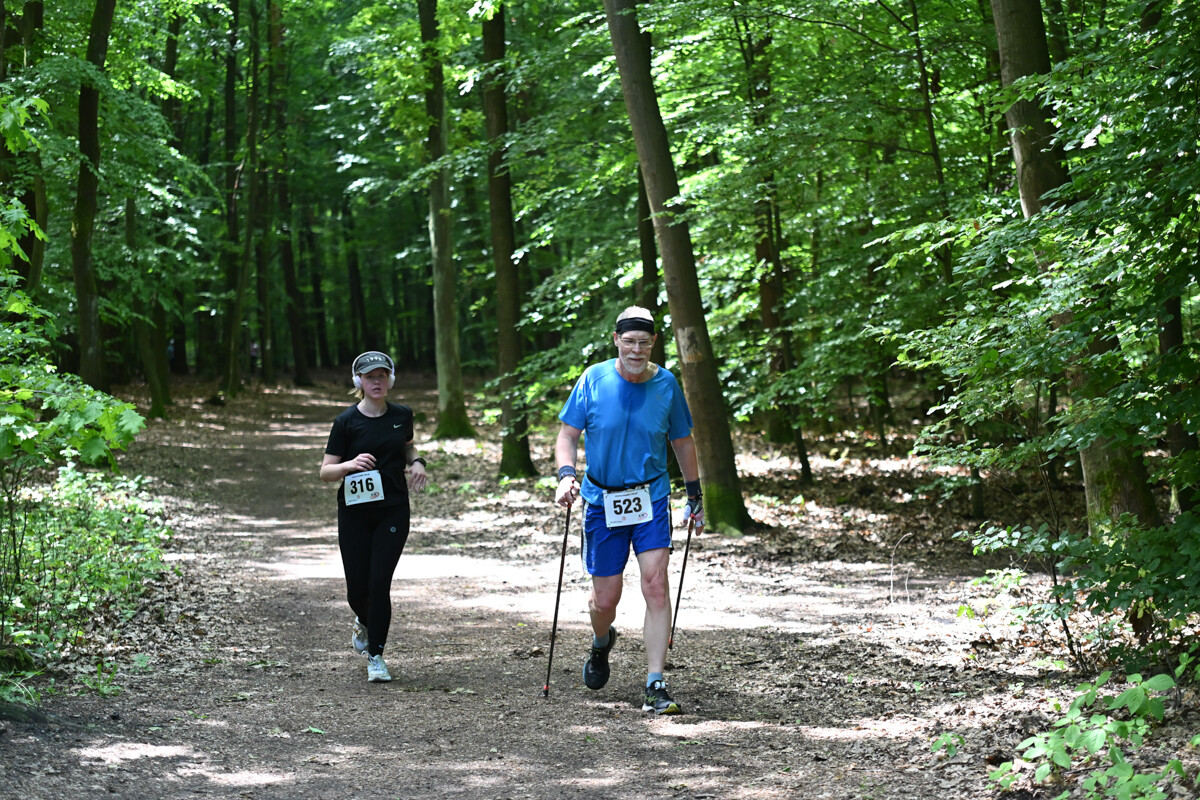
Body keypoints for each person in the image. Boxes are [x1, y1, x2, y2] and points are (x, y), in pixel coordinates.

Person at [554, 306, 704, 715]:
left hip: (650, 498)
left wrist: (695, 495)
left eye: (644, 342)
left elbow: (683, 443)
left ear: (653, 343)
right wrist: (566, 475)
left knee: (655, 583)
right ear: (616, 340)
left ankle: (655, 682)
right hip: (602, 500)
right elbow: (567, 435)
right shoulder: (593, 379)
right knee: (605, 600)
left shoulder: (667, 385)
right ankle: (602, 642)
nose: (636, 349)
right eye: (629, 341)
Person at [320, 350, 429, 683]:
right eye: (370, 377)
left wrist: (418, 461)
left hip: (393, 508)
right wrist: (350, 465)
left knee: (379, 582)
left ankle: (376, 656)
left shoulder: (402, 415)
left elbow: (407, 446)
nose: (376, 382)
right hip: (354, 512)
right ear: (359, 382)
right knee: (357, 590)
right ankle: (364, 621)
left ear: (390, 380)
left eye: (382, 376)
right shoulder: (346, 422)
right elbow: (325, 472)